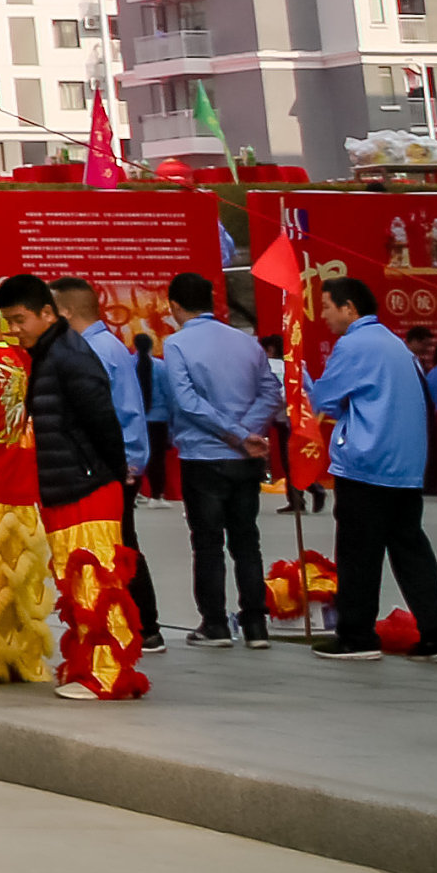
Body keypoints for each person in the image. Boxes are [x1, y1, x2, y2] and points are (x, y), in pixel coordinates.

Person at [0, 274, 148, 701]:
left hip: (88, 486)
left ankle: (107, 675)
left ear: (48, 313)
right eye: (9, 322)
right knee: (76, 583)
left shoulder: (70, 355)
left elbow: (103, 421)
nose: (15, 330)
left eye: (20, 320)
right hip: (65, 486)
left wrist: (110, 471)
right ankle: (89, 667)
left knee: (96, 582)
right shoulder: (49, 354)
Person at [303, 275, 437, 663]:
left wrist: (298, 377)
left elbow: (324, 399)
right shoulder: (394, 344)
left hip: (366, 465)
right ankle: (436, 637)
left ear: (349, 308)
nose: (324, 316)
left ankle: (356, 636)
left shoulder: (354, 344)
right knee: (411, 550)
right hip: (405, 468)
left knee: (358, 554)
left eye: (327, 307)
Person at [153, 271, 281, 648]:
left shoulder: (177, 345)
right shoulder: (246, 342)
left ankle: (215, 624)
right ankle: (256, 625)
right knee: (247, 541)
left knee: (208, 543)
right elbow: (271, 392)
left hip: (203, 455)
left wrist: (235, 434)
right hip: (245, 458)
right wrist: (247, 434)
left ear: (174, 305)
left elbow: (187, 402)